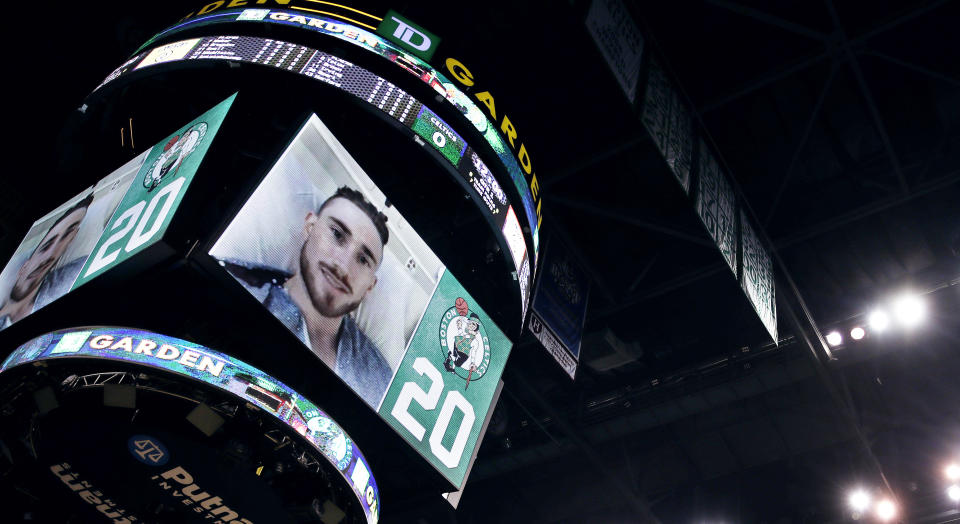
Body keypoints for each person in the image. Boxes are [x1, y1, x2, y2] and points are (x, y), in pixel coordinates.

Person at [222, 186, 392, 408]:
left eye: (362, 260)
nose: (343, 266)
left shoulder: (380, 382)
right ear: (310, 227)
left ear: (370, 285)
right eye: (337, 235)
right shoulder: (234, 282)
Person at [0, 194, 93, 331]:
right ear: (23, 267)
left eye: (67, 235)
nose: (50, 256)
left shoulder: (64, 282)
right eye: (45, 247)